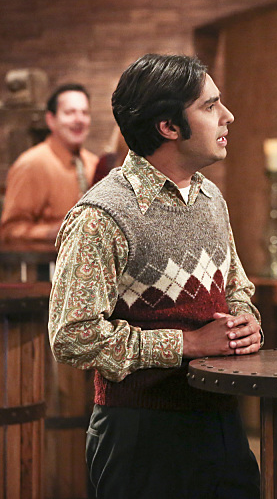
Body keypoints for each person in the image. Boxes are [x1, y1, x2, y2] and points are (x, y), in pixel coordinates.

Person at [49, 54, 262, 499]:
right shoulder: (101, 215)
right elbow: (72, 335)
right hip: (140, 433)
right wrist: (188, 344)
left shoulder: (210, 197)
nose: (227, 116)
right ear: (168, 126)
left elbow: (235, 288)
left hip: (220, 422)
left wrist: (245, 322)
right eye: (210, 106)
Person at [0, 83, 97, 243]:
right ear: (50, 120)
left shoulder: (93, 163)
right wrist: (52, 232)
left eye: (84, 113)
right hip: (46, 258)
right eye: (70, 112)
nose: (79, 119)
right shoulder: (31, 164)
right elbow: (9, 230)